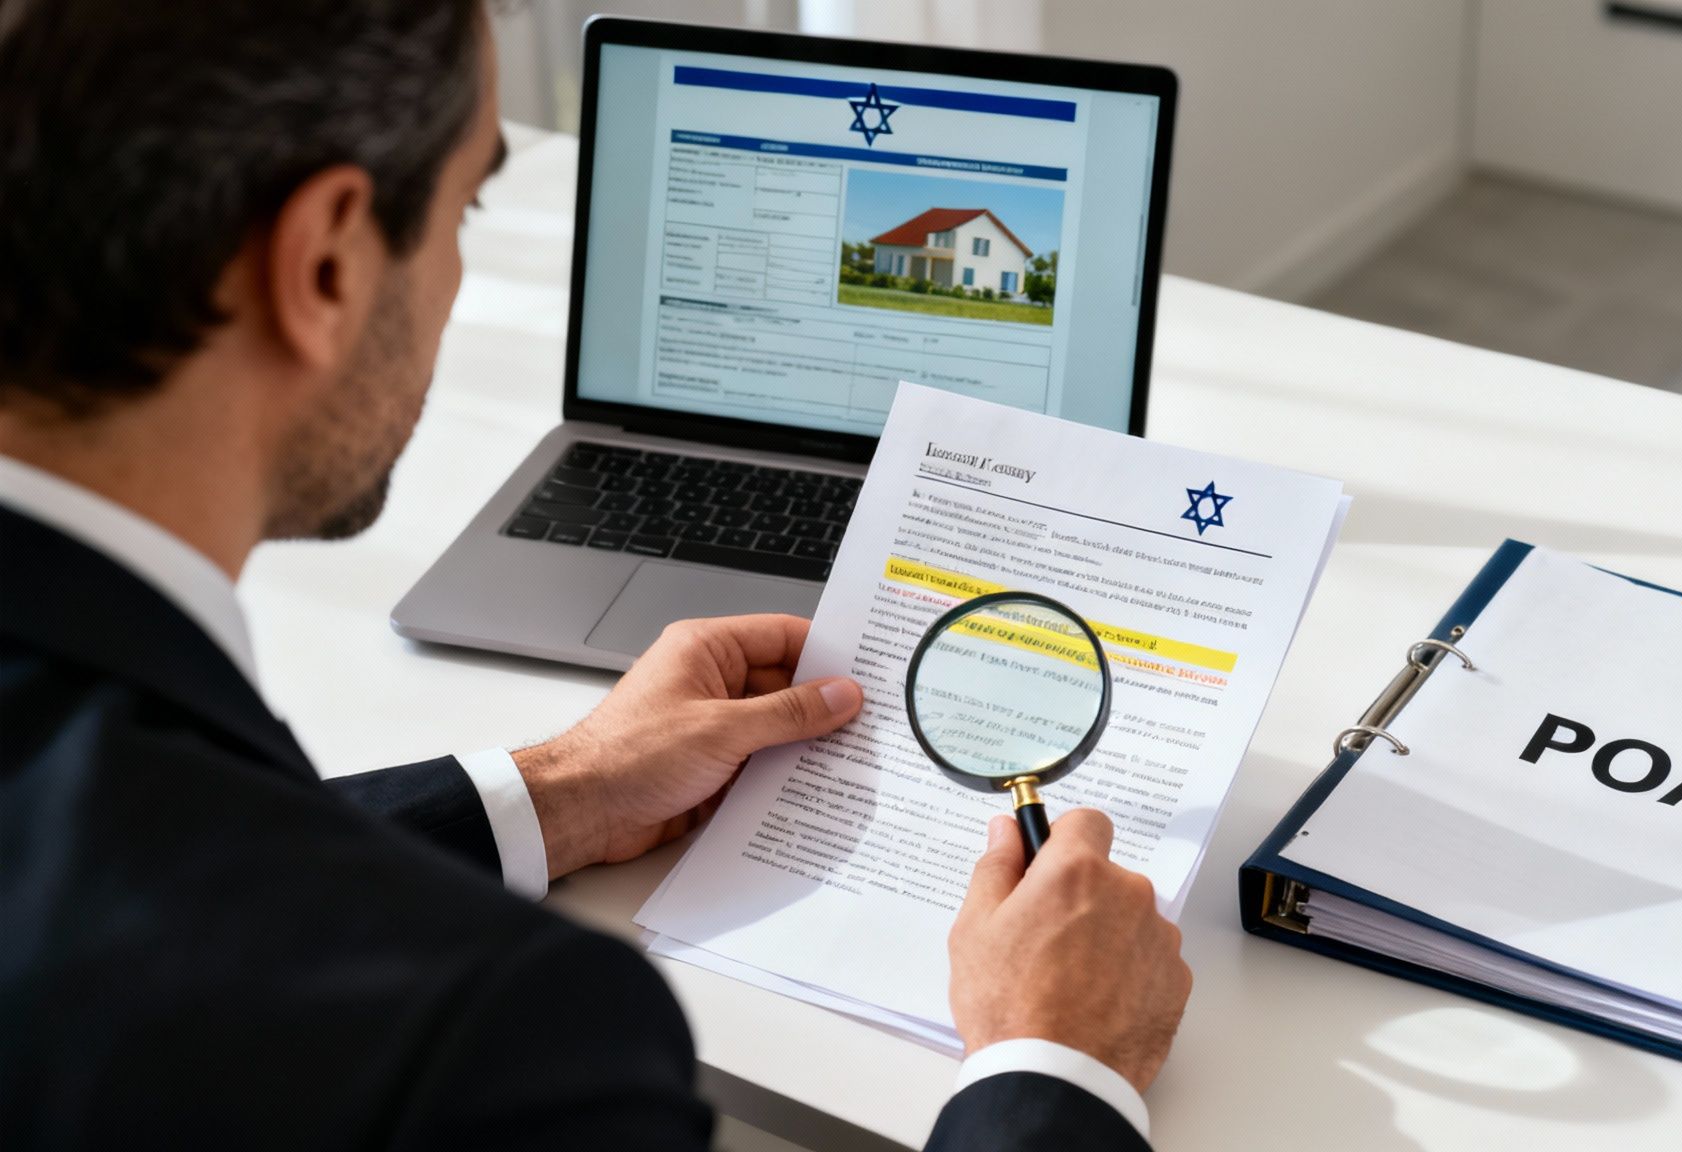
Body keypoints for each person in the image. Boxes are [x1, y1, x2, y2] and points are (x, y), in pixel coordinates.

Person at [0, 3, 1192, 1148]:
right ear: (323, 263)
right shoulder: (498, 1041)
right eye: (464, 209)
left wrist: (558, 789)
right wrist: (1054, 1067)